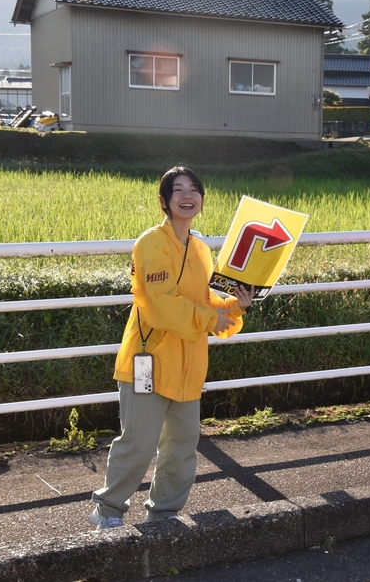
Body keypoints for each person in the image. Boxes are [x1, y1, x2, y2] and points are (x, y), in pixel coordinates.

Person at [90, 166, 254, 529]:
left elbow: (202, 299)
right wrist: (211, 319)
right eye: (177, 189)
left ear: (202, 200)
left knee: (182, 446)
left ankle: (164, 514)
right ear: (164, 201)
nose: (187, 195)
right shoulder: (151, 242)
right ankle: (109, 509)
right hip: (148, 360)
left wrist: (233, 307)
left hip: (188, 364)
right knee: (138, 442)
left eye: (194, 189)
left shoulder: (199, 247)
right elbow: (159, 302)